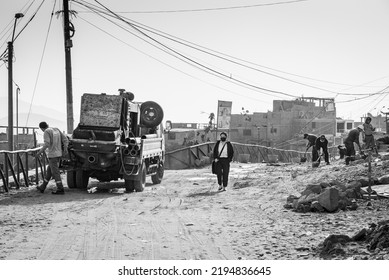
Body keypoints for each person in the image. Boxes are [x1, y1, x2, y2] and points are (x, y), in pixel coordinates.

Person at [36, 122, 69, 194]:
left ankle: (60, 188)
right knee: (49, 172)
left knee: (55, 172)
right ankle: (43, 187)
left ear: (41, 128)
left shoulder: (46, 132)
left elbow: (47, 144)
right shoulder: (56, 129)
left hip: (52, 155)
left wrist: (39, 152)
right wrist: (65, 149)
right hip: (58, 154)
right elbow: (65, 139)